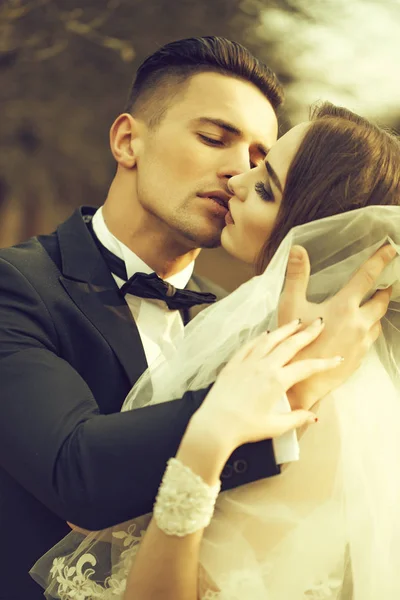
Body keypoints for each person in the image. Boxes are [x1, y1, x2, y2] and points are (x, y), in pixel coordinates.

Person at [0, 36, 391, 598]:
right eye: (214, 137)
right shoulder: (18, 285)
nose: (238, 171)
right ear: (128, 140)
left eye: (261, 160)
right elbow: (74, 472)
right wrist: (278, 394)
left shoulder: (239, 319)